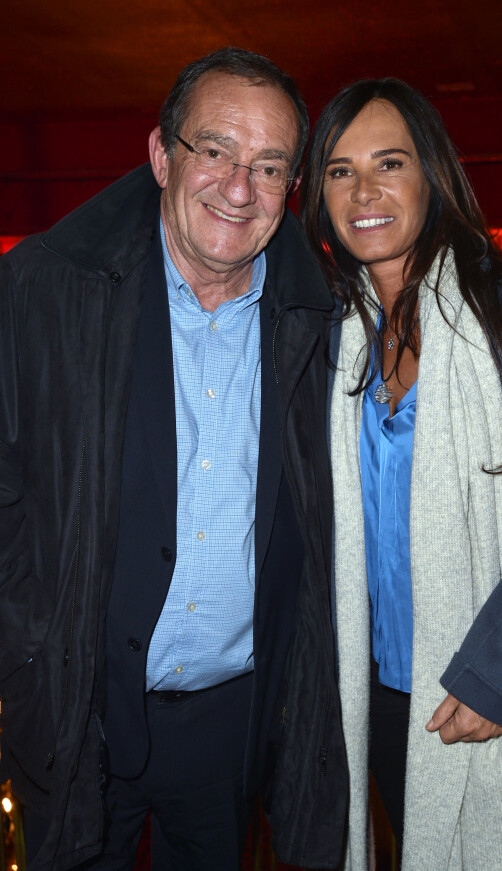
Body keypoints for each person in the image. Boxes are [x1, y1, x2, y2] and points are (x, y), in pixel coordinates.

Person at [0, 48, 348, 871]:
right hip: (75, 713)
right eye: (215, 150)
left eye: (269, 166)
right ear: (162, 155)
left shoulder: (323, 322)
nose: (238, 187)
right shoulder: (43, 292)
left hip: (236, 724)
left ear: (291, 187)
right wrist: (28, 642)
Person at [301, 77, 502, 870]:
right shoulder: (336, 342)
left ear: (433, 176)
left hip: (501, 685)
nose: (365, 191)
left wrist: (497, 677)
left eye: (390, 163)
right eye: (339, 170)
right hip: (386, 696)